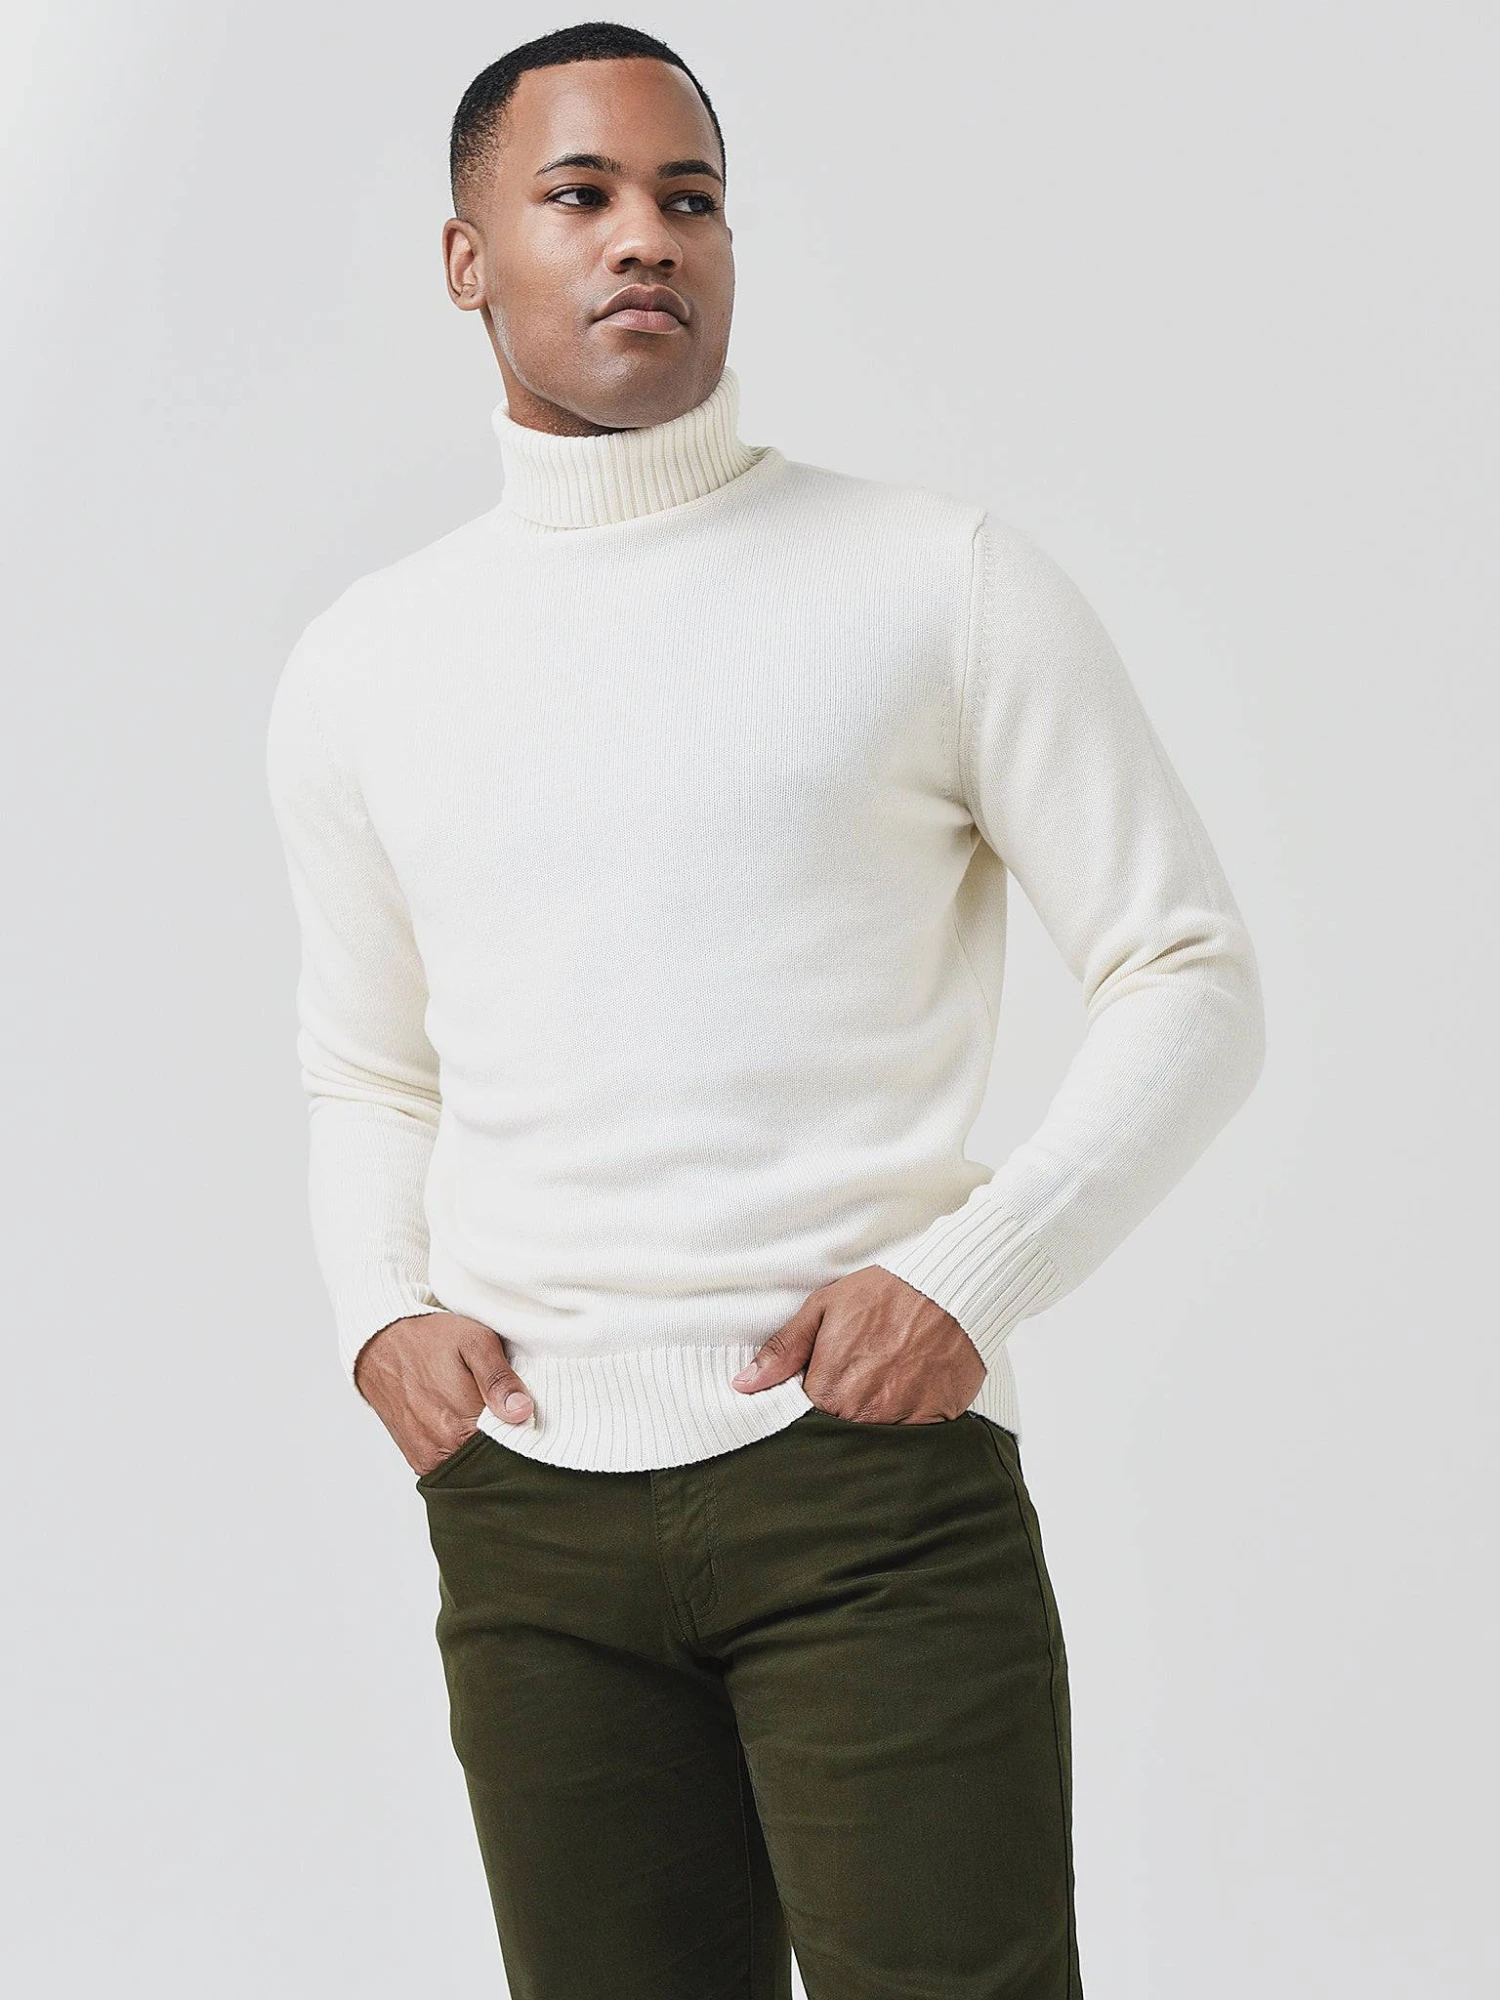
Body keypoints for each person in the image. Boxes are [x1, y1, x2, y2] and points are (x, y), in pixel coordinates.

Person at [265, 22, 1265, 2000]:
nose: (646, 237)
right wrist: (380, 1309)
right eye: (580, 195)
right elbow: (369, 1066)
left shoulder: (936, 582)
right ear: (466, 257)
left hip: (865, 1488)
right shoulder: (366, 664)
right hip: (530, 1523)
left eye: (690, 198)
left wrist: (969, 1274)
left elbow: (1190, 974)